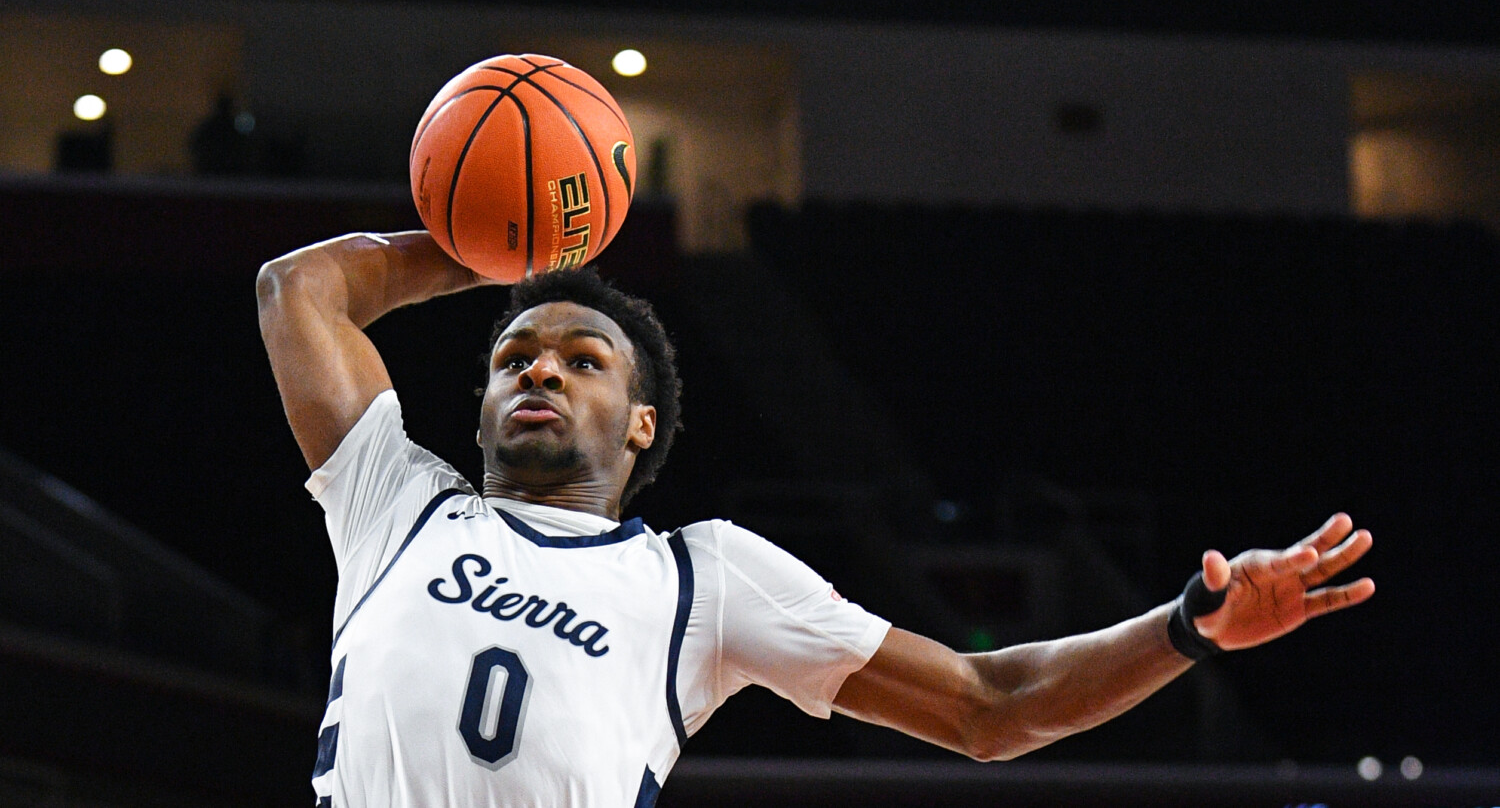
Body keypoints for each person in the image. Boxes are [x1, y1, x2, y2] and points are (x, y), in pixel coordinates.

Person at [256, 231, 1375, 808]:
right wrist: (490, 241)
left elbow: (993, 706)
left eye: (580, 357)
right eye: (513, 357)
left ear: (641, 424)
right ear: (484, 405)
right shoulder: (395, 502)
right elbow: (295, 291)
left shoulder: (706, 580)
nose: (539, 365)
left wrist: (1184, 626)